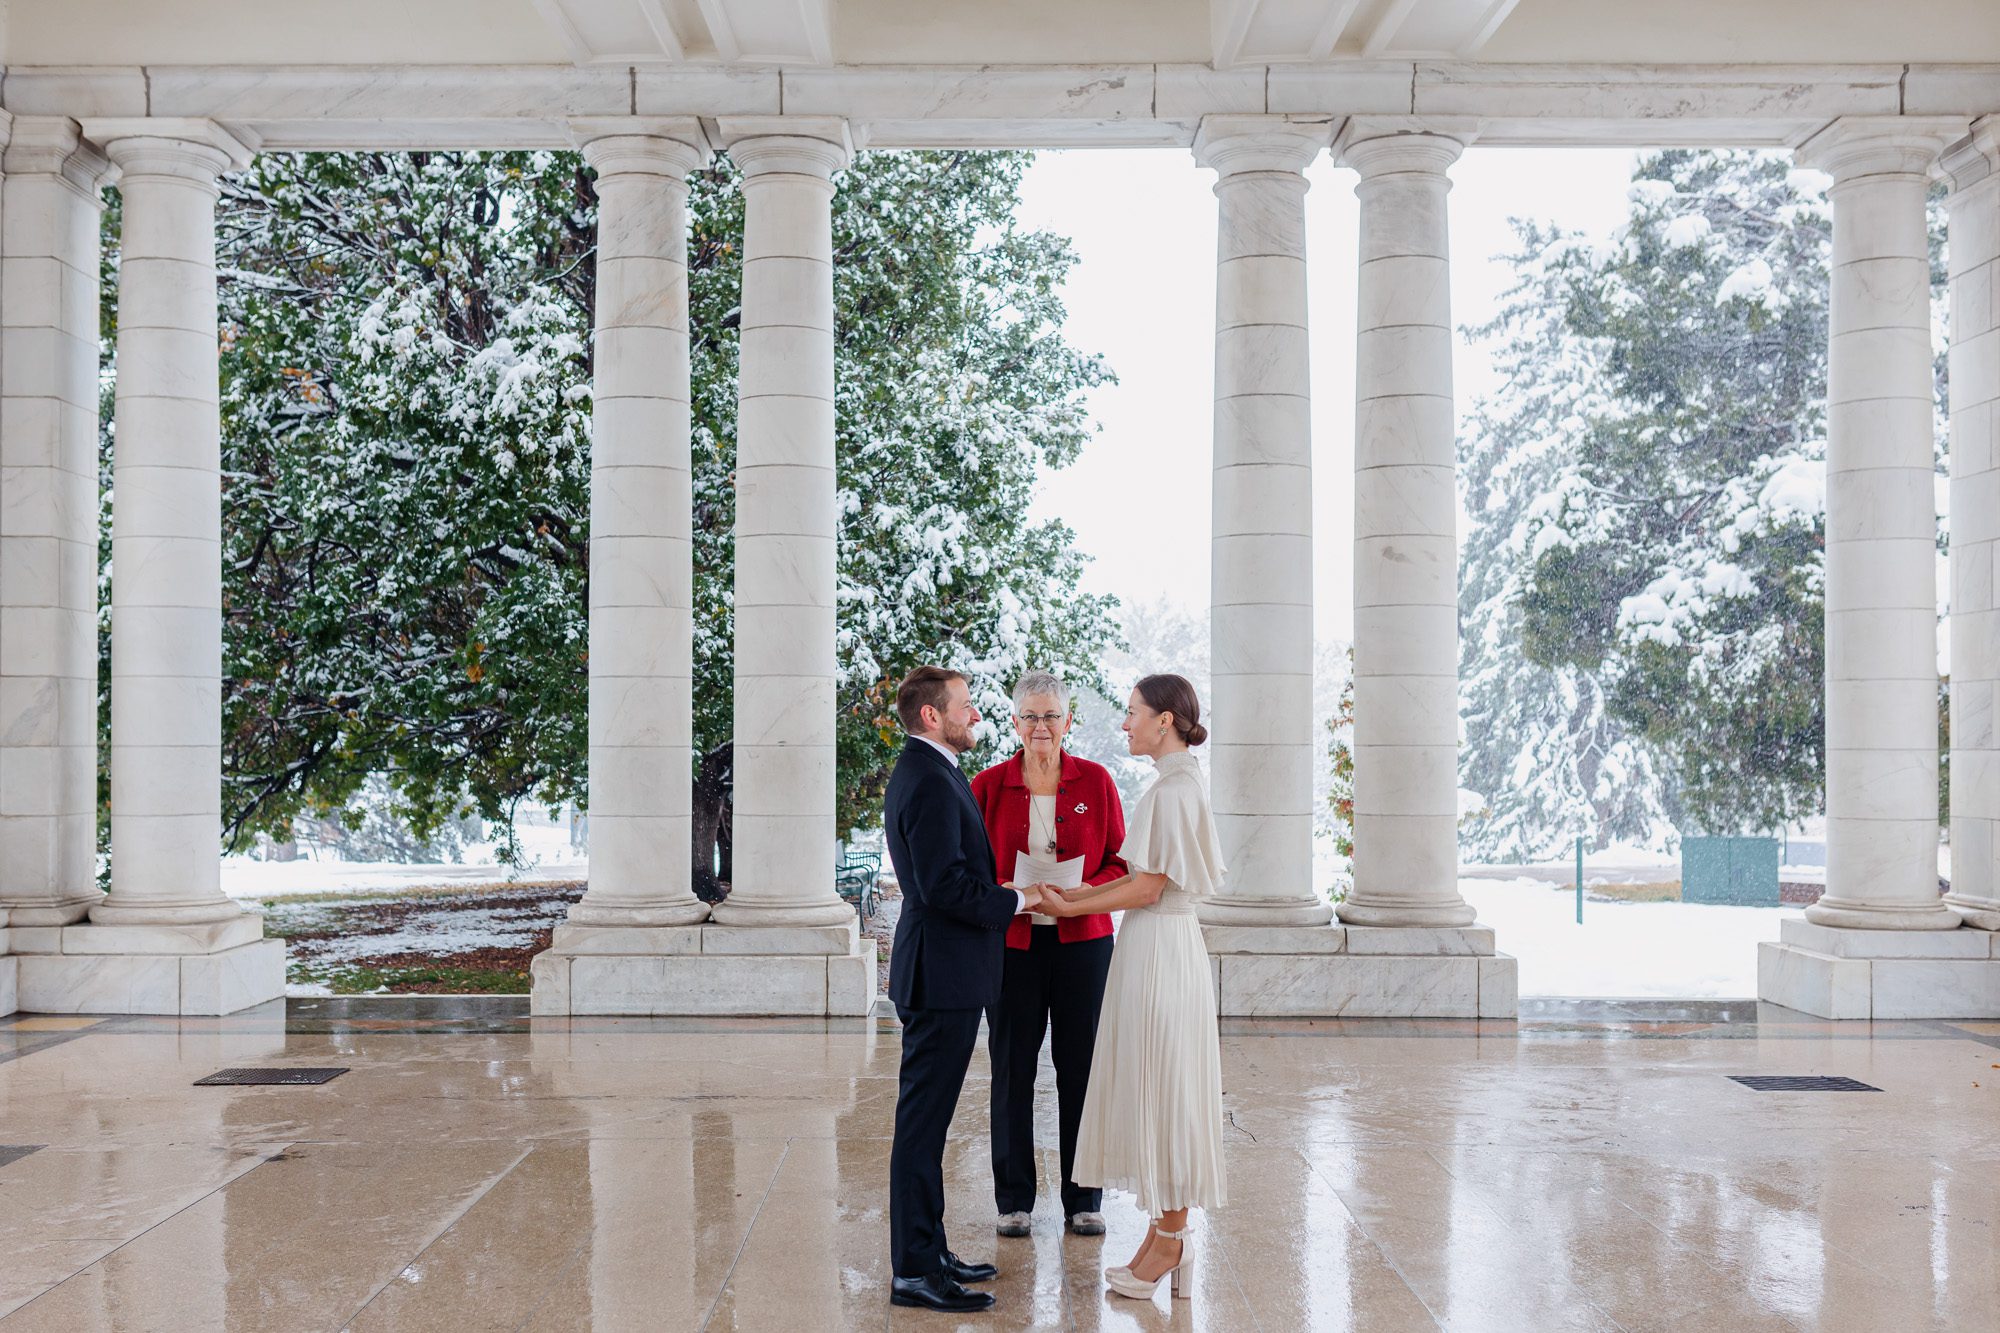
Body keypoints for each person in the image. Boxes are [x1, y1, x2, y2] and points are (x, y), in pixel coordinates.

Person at [1038, 673, 1227, 1302]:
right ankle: (1162, 1231)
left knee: (1165, 1082)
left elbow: (1148, 889)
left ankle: (1171, 1239)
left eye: (1132, 713)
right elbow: (1147, 880)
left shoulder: (1172, 792)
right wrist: (1081, 896)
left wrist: (1070, 909)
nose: (1125, 724)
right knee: (1157, 1079)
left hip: (1161, 945)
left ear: (1165, 720)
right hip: (1158, 943)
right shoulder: (1173, 784)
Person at [881, 665, 1044, 1314]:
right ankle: (915, 1270)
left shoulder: (934, 769)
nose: (975, 714)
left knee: (929, 1126)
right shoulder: (926, 778)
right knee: (921, 1129)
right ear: (931, 715)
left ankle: (930, 1248)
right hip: (939, 976)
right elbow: (942, 885)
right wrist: (1016, 898)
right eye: (966, 705)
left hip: (948, 972)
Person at [970, 671, 1126, 1240]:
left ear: (1068, 721)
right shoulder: (987, 785)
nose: (1042, 726)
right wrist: (1012, 894)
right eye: (1031, 716)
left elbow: (1118, 861)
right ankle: (1013, 1200)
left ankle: (1084, 1199)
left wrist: (1082, 894)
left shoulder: (1097, 781)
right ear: (1015, 722)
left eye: (1051, 716)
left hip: (1083, 942)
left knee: (1081, 1068)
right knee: (1012, 1065)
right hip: (1011, 946)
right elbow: (973, 869)